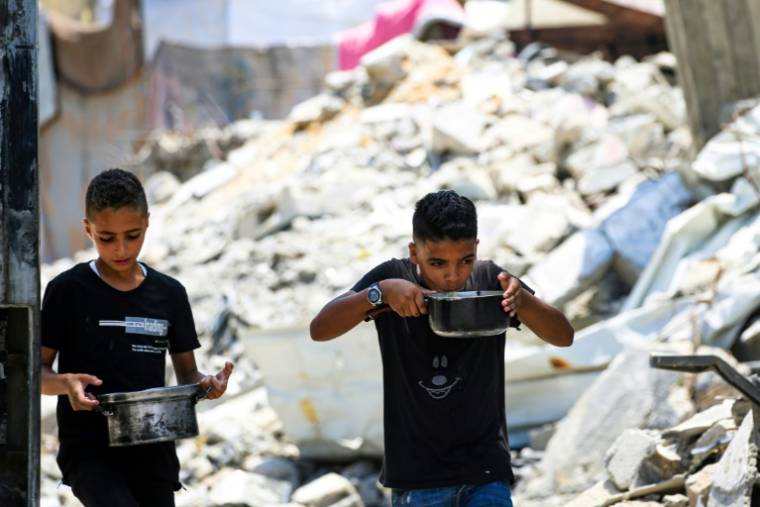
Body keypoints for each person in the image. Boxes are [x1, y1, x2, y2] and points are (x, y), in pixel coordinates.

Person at [310, 190, 574, 507]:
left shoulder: (491, 280)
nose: (452, 276)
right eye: (437, 263)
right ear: (414, 252)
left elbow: (563, 336)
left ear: (476, 249)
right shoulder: (392, 280)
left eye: (465, 261)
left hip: (485, 471)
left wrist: (524, 301)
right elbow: (320, 329)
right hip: (418, 478)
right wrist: (378, 294)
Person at [41, 168, 234, 507]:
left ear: (147, 222)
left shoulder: (170, 294)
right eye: (106, 237)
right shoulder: (67, 291)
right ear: (88, 229)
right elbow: (34, 375)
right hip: (89, 452)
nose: (120, 248)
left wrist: (207, 385)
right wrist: (66, 384)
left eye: (132, 235)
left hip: (154, 449)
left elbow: (187, 374)